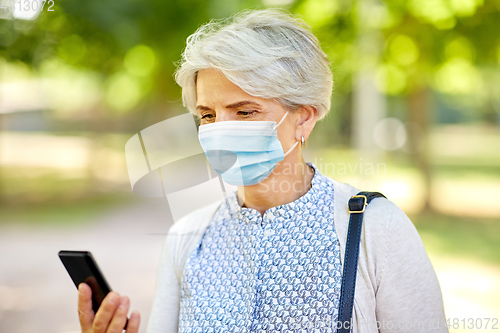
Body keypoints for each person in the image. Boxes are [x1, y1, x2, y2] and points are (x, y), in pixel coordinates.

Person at [77, 8, 448, 333]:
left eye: (244, 111)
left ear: (304, 117)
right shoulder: (188, 238)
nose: (219, 130)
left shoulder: (374, 227)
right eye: (207, 115)